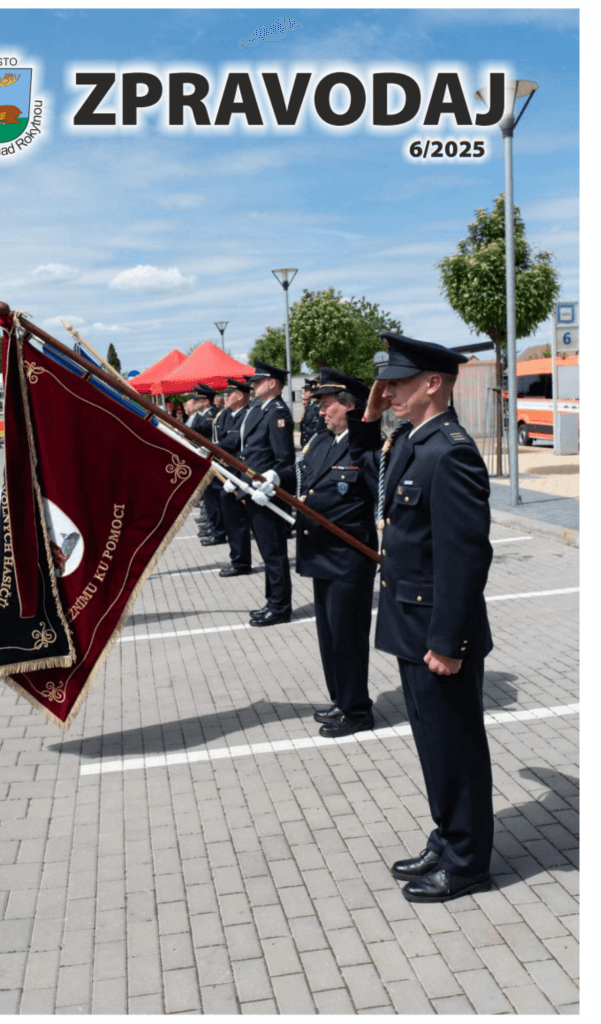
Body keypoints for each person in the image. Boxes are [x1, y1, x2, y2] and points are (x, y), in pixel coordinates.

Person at [348, 331, 494, 903]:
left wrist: (449, 639)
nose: (387, 392)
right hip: (413, 628)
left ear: (433, 384)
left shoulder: (450, 450)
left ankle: (467, 862)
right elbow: (370, 468)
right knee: (434, 745)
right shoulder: (414, 439)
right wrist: (371, 415)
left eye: (399, 382)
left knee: (456, 747)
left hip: (438, 632)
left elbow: (465, 556)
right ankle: (448, 834)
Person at [295, 369, 377, 737]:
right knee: (329, 638)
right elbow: (301, 476)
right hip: (321, 555)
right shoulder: (324, 442)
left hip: (348, 558)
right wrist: (266, 477)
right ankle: (342, 699)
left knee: (348, 638)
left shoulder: (367, 447)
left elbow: (383, 500)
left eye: (328, 405)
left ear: (350, 406)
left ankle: (358, 709)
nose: (322, 412)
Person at [238, 360, 295, 626]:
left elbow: (283, 461)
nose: (254, 385)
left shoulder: (277, 413)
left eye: (258, 381)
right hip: (255, 491)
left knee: (274, 554)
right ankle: (272, 601)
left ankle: (280, 607)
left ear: (273, 383)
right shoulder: (263, 410)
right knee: (267, 553)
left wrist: (273, 485)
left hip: (268, 494)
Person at [216, 378, 253, 576]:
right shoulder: (231, 415)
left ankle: (241, 563)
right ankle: (238, 559)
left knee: (238, 524)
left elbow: (234, 442)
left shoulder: (246, 416)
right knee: (233, 523)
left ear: (239, 396)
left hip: (239, 478)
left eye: (229, 394)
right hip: (230, 476)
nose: (225, 398)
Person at [191, 384, 226, 546]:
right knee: (209, 499)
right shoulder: (201, 415)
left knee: (214, 500)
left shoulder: (212, 414)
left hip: (212, 461)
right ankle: (213, 528)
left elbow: (200, 430)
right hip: (203, 460)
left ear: (206, 401)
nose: (194, 402)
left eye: (198, 399)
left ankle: (218, 532)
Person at [299, 378, 327, 448]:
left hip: (315, 444)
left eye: (306, 391)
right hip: (307, 443)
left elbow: (318, 429)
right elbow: (305, 426)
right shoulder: (310, 406)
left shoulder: (321, 407)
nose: (304, 393)